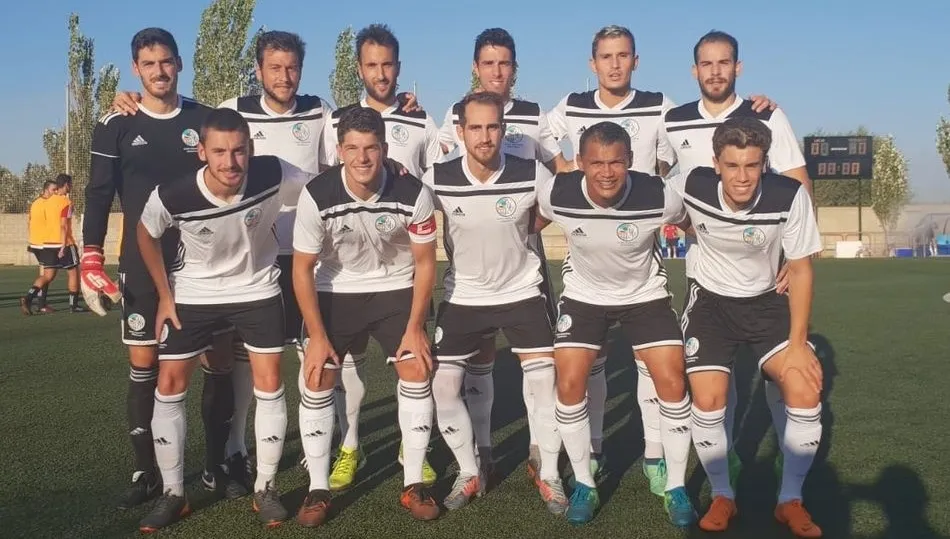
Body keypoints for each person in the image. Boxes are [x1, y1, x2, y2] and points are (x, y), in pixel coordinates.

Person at [135, 108, 312, 531]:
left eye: (239, 151)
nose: (230, 162)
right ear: (202, 152)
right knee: (170, 383)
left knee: (270, 382)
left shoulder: (273, 172)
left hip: (257, 290)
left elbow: (319, 187)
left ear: (250, 149)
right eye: (219, 152)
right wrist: (164, 295)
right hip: (194, 294)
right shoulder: (174, 194)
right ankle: (174, 494)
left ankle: (265, 488)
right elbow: (145, 231)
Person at [81, 28, 232, 509]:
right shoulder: (116, 123)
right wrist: (90, 254)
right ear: (135, 70)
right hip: (142, 264)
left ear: (180, 63)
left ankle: (214, 467)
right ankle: (146, 470)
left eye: (166, 62)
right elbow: (99, 193)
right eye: (149, 64)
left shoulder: (203, 119)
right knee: (144, 363)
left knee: (215, 361)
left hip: (204, 264)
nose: (159, 71)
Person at [661, 29, 813, 487]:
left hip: (764, 270)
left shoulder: (765, 114)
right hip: (708, 271)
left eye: (723, 63)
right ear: (694, 71)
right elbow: (666, 182)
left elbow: (797, 181)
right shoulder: (675, 120)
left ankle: (791, 467)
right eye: (706, 64)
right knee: (713, 383)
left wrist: (796, 250)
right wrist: (694, 225)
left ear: (737, 68)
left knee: (779, 379)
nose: (715, 72)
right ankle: (722, 474)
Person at [534, 121, 695, 527]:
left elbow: (698, 225)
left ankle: (676, 486)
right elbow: (527, 221)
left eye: (616, 163)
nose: (606, 172)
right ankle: (585, 482)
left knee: (673, 381)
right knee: (569, 383)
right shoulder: (558, 192)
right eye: (596, 163)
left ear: (630, 161)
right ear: (580, 163)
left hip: (645, 296)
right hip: (585, 297)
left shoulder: (659, 194)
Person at [669, 117, 824, 537]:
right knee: (708, 398)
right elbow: (655, 208)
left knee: (804, 386)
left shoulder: (788, 195)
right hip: (710, 306)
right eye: (733, 166)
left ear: (764, 164)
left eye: (752, 166)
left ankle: (790, 500)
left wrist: (797, 343)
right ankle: (723, 495)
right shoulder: (690, 183)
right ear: (716, 162)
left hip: (766, 303)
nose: (742, 177)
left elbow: (802, 270)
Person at [291, 106, 440, 525]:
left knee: (415, 366)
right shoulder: (317, 194)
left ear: (385, 149)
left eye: (371, 148)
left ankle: (414, 483)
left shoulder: (414, 193)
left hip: (396, 287)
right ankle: (317, 490)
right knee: (317, 373)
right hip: (335, 290)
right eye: (352, 148)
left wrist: (415, 328)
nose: (362, 158)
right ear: (339, 150)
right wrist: (317, 335)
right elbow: (302, 269)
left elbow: (426, 263)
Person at [425, 91, 566, 515]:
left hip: (522, 291)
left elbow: (561, 204)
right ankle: (470, 470)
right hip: (464, 294)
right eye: (476, 128)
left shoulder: (531, 171)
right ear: (460, 131)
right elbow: (403, 206)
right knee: (443, 386)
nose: (485, 137)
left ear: (504, 129)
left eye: (493, 127)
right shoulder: (438, 178)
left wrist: (534, 221)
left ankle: (552, 475)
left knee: (545, 383)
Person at [317, 23, 443, 491]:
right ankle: (350, 444)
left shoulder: (419, 120)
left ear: (399, 67)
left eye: (388, 64)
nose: (381, 72)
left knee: (413, 361)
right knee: (347, 368)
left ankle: (413, 450)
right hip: (343, 272)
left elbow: (434, 184)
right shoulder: (334, 121)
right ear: (359, 69)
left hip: (402, 274)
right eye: (372, 64)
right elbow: (322, 181)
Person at [47, 174, 87, 312]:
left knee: (47, 274)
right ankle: (73, 305)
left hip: (49, 243)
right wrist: (64, 246)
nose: (71, 186)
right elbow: (63, 225)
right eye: (70, 184)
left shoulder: (48, 201)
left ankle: (31, 298)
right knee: (74, 272)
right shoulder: (66, 203)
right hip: (65, 242)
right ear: (66, 185)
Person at [21, 180, 61, 315]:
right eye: (53, 190)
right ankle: (28, 298)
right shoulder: (47, 204)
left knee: (44, 274)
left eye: (56, 190)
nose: (55, 192)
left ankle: (42, 304)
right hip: (45, 244)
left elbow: (30, 222)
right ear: (45, 190)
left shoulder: (35, 203)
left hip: (35, 243)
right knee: (49, 275)